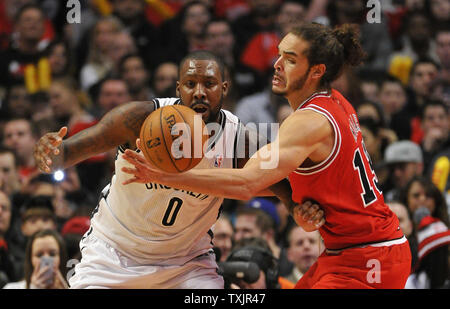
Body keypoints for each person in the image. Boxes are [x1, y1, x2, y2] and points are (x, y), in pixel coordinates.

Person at [122, 23, 412, 289]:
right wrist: (298, 204)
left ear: (316, 71)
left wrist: (168, 176)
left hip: (370, 259)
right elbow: (290, 179)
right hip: (350, 251)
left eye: (290, 59)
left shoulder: (308, 122)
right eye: (279, 55)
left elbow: (247, 183)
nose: (276, 65)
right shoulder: (335, 101)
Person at [33, 50, 323, 289]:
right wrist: (50, 153)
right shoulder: (138, 119)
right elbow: (69, 152)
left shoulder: (242, 141)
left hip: (186, 262)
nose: (199, 92)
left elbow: (288, 192)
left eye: (208, 84)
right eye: (190, 84)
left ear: (224, 89)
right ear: (178, 88)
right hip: (113, 253)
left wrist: (302, 212)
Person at [2, 229, 68, 289]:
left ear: (61, 258)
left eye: (52, 254)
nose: (46, 258)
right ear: (30, 259)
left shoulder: (74, 286)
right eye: (39, 255)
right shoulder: (12, 287)